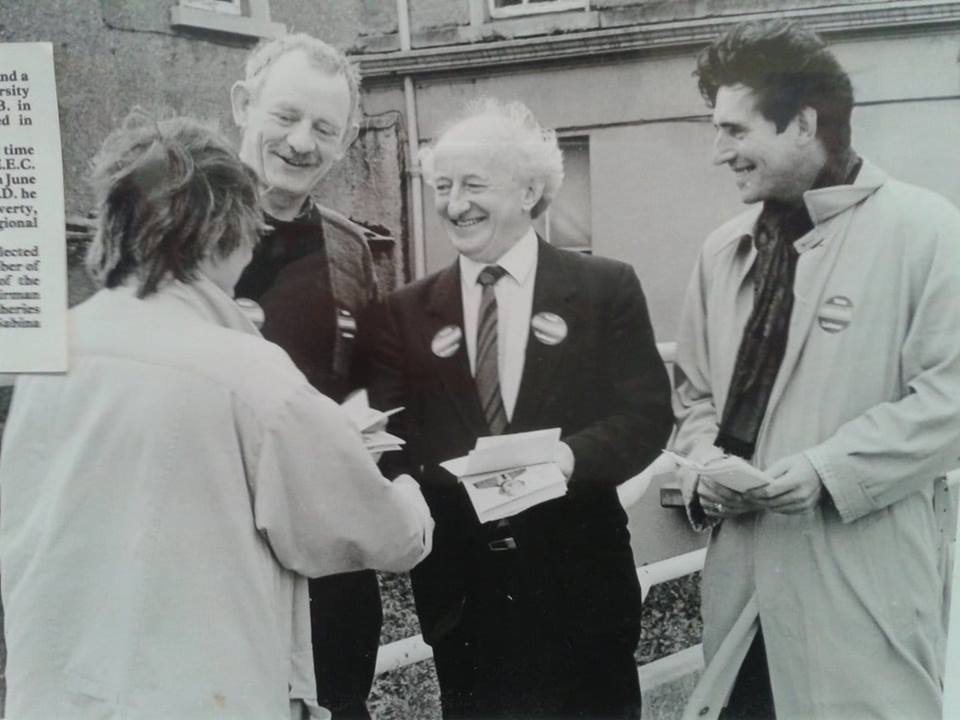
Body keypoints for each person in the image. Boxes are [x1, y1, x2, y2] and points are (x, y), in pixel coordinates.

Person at [0, 113, 432, 720]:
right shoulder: (250, 373)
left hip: (55, 691)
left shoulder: (52, 348)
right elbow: (377, 533)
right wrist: (409, 495)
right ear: (227, 233)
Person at [671, 19, 960, 720]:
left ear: (802, 123)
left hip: (863, 586)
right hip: (741, 589)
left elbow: (948, 398)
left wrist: (830, 470)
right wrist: (704, 468)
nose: (719, 152)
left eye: (735, 131)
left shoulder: (927, 231)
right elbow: (694, 396)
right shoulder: (722, 250)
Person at [357, 98, 673, 719]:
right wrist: (398, 484)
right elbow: (386, 436)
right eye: (442, 186)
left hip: (582, 592)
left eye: (474, 184)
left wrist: (565, 458)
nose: (454, 203)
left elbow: (646, 417)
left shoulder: (605, 289)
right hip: (465, 605)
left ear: (530, 190)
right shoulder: (406, 310)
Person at [229, 34, 384, 719]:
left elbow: (367, 383)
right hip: (218, 552)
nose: (301, 142)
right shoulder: (169, 224)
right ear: (242, 105)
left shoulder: (350, 248)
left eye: (325, 128)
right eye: (285, 116)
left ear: (345, 140)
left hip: (328, 565)